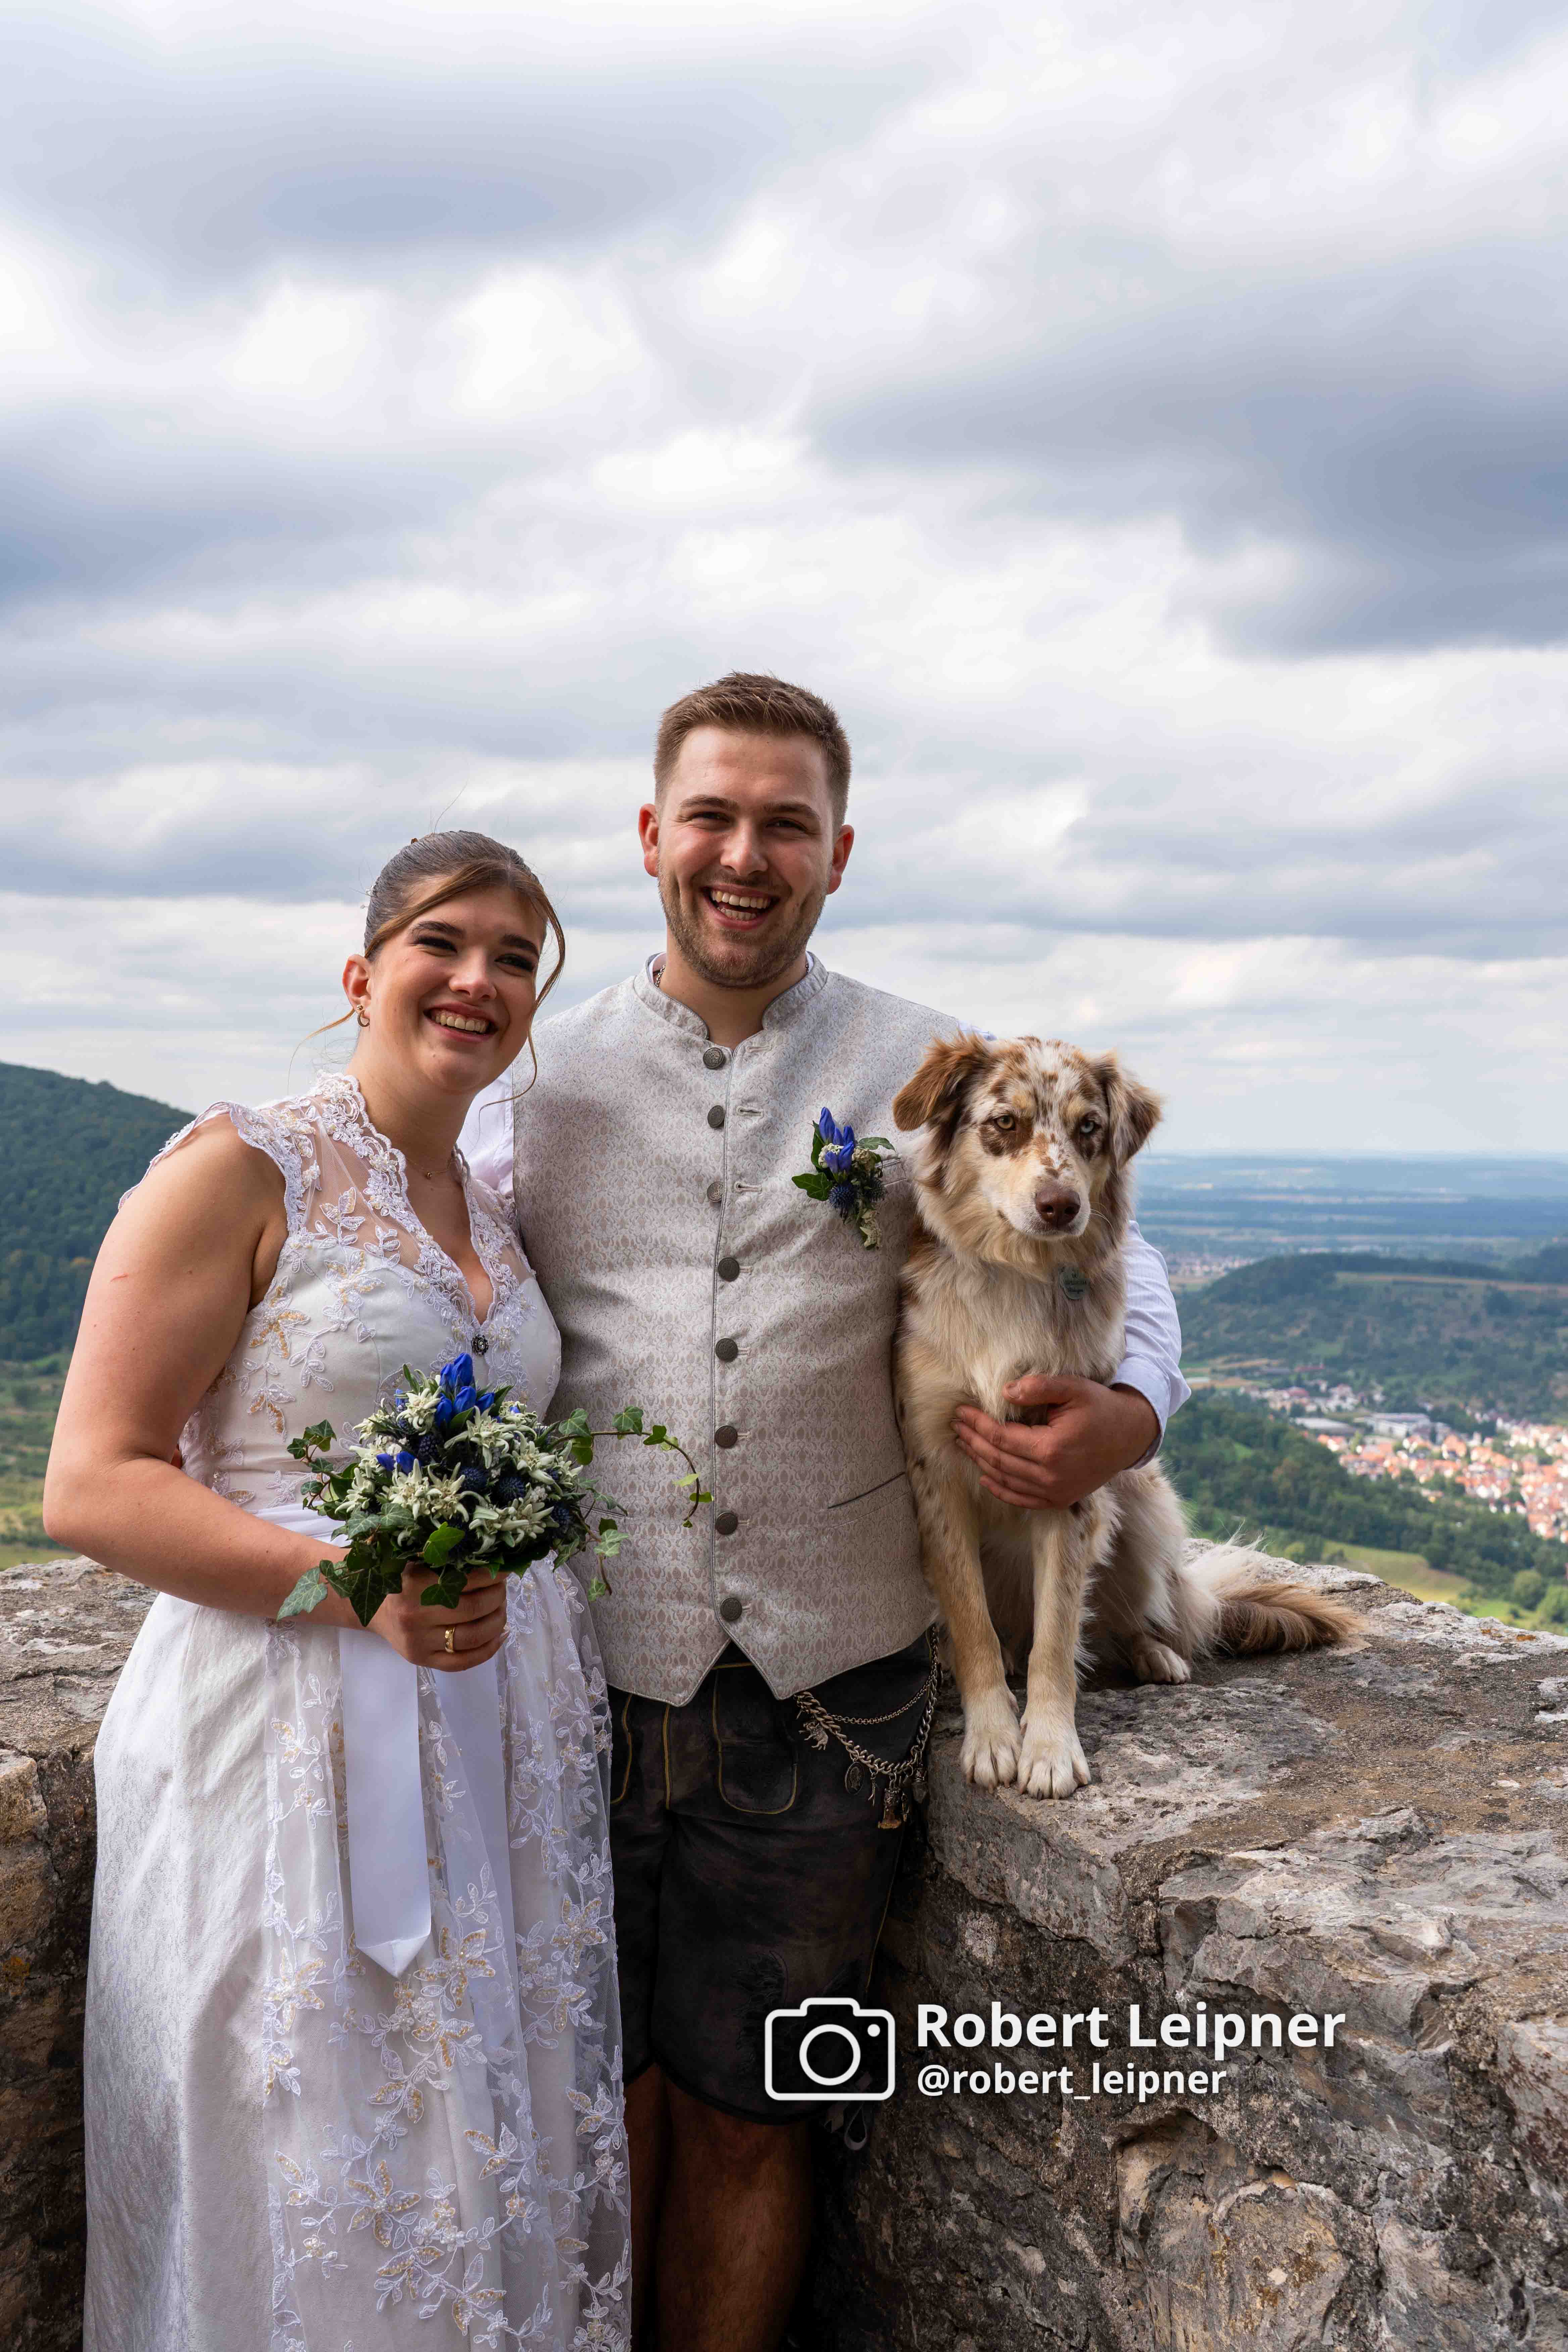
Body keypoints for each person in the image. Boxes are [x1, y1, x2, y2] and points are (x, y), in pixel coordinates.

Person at [461, 674, 1189, 2352]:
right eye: (711, 816)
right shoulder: (537, 1081)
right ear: (651, 836)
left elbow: (1108, 1258)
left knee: (764, 2111)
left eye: (784, 824)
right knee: (591, 2105)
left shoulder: (921, 1056)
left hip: (836, 1694)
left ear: (837, 852)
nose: (744, 854)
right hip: (580, 1679)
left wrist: (1125, 1417)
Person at [45, 833, 630, 2352]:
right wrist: (349, 1584)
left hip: (490, 1738)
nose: (480, 978)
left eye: (517, 958)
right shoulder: (242, 1164)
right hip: (285, 1730)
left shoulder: (489, 1206)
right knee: (309, 2147)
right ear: (362, 973)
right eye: (446, 941)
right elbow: (93, 1482)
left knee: (473, 2143)